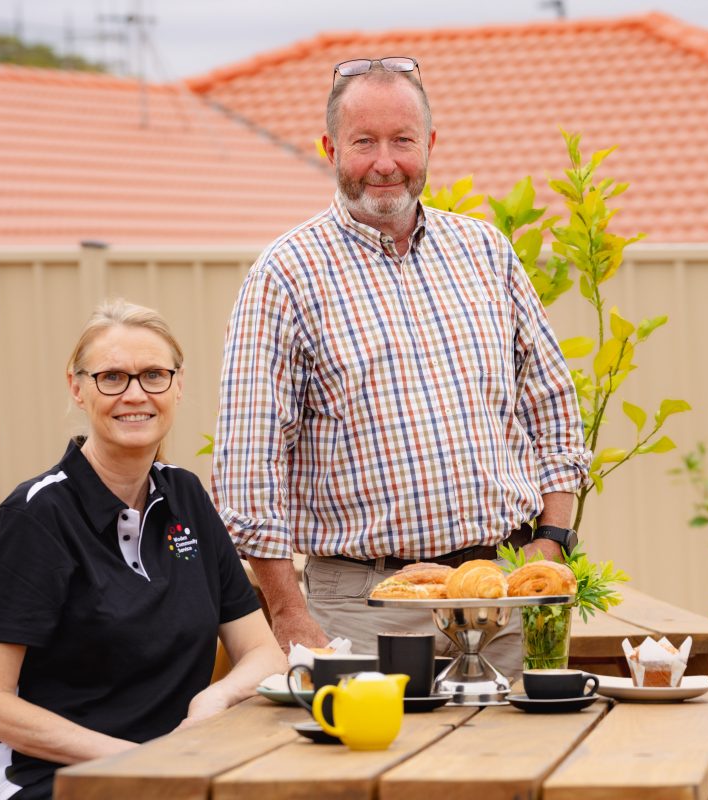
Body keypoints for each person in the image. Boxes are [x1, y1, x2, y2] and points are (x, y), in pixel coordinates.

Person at [211, 56, 589, 667]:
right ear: (330, 147)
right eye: (364, 142)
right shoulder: (285, 275)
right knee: (374, 761)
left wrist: (552, 539)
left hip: (498, 595)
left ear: (431, 144)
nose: (385, 163)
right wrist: (286, 611)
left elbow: (551, 401)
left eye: (402, 141)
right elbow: (249, 466)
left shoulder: (485, 252)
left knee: (511, 762)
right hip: (364, 607)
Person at [0, 299, 286, 799]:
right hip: (48, 781)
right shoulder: (35, 518)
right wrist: (136, 760)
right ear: (77, 387)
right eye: (112, 377)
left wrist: (210, 702)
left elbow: (264, 653)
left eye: (154, 374)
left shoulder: (187, 498)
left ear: (178, 385)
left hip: (169, 772)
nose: (135, 394)